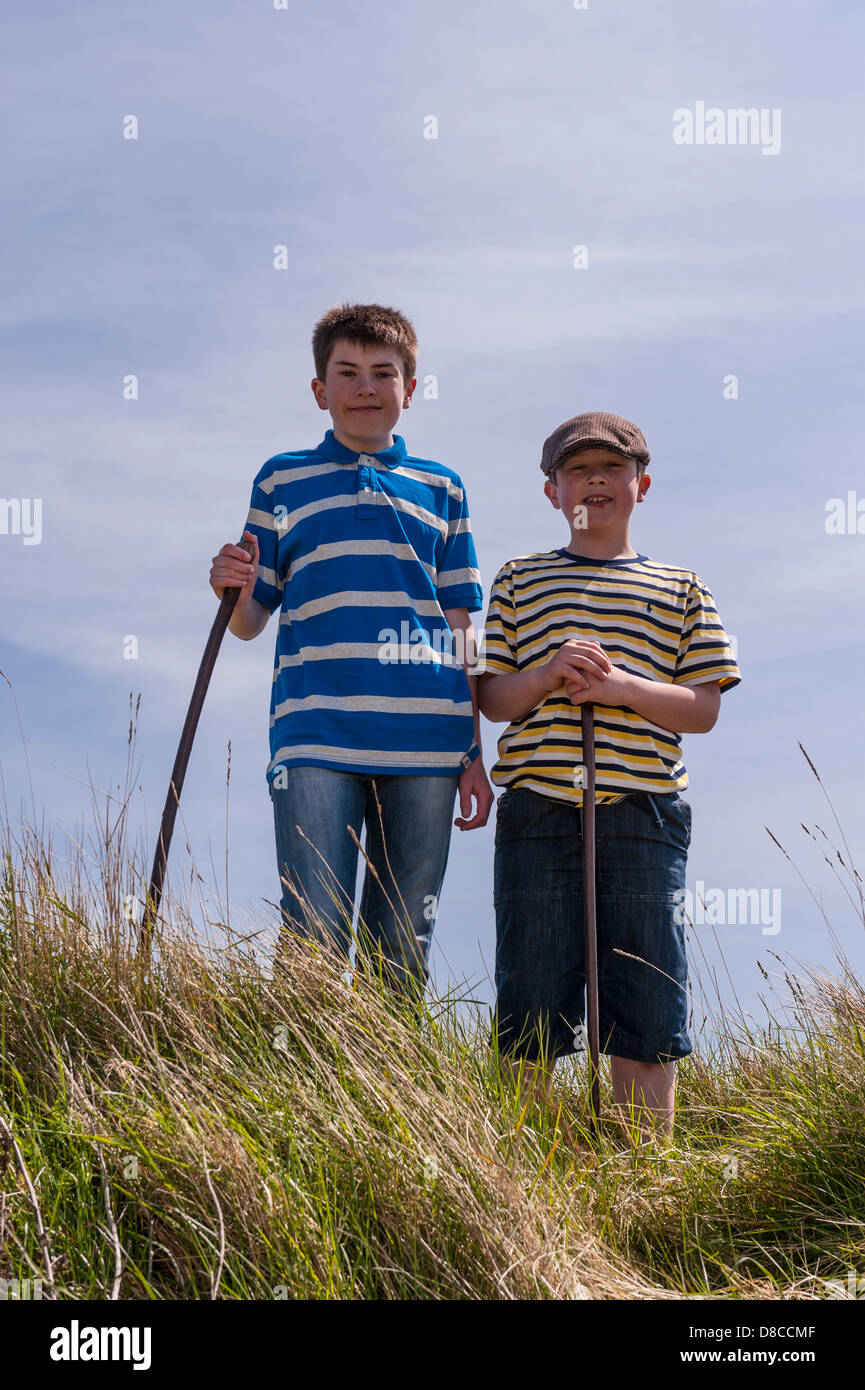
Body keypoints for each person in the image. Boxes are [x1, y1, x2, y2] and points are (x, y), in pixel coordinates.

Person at [209, 302, 493, 995]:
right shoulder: (281, 479)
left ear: (409, 389)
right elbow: (249, 619)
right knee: (313, 924)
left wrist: (472, 751)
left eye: (382, 373)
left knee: (401, 935)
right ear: (320, 391)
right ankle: (300, 1089)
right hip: (315, 732)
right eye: (348, 372)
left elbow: (462, 625)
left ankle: (385, 1094)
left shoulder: (442, 487)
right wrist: (230, 587)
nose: (365, 387)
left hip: (426, 740)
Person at [477, 412, 741, 1135]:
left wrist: (621, 686)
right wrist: (547, 673)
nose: (594, 479)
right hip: (537, 805)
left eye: (611, 467)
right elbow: (493, 698)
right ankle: (516, 1173)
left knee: (646, 989)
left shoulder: (680, 586)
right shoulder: (519, 579)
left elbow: (702, 708)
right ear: (551, 492)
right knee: (530, 989)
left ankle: (641, 1176)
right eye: (576, 469)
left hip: (642, 807)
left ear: (641, 485)